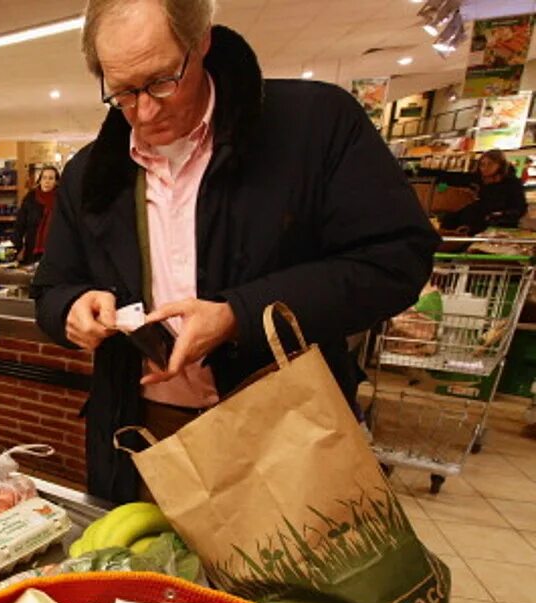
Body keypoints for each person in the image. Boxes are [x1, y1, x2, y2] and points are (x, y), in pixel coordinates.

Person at [31, 0, 438, 501]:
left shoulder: (314, 125)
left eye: (162, 80)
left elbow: (397, 259)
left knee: (282, 579)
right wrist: (71, 309)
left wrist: (237, 316)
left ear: (200, 41)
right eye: (122, 92)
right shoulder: (90, 173)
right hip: (140, 435)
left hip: (288, 428)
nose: (146, 110)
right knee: (142, 577)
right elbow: (51, 289)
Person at [441, 149, 528, 234]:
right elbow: (452, 179)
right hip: (474, 225)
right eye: (482, 164)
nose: (485, 168)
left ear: (500, 165)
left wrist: (499, 215)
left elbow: (520, 208)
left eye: (490, 164)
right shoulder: (478, 179)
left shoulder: (512, 183)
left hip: (498, 228)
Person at [14, 166, 59, 265]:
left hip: (55, 250)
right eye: (44, 178)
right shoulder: (30, 198)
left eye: (51, 178)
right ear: (40, 180)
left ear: (56, 181)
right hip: (32, 249)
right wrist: (17, 247)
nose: (47, 181)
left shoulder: (61, 199)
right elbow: (20, 224)